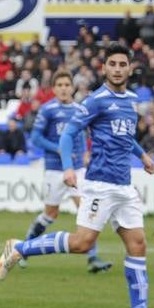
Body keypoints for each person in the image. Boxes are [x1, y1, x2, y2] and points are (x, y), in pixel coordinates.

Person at [0, 43, 154, 308]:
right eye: (111, 64)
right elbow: (68, 136)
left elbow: (126, 137)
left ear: (129, 68)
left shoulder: (132, 100)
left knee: (138, 244)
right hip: (99, 184)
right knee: (82, 243)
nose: (116, 69)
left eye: (122, 64)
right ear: (104, 68)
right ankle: (20, 248)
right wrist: (67, 167)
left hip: (124, 186)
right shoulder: (94, 101)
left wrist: (143, 155)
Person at [24, 69, 111, 273]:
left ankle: (93, 258)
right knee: (50, 214)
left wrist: (85, 154)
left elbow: (81, 136)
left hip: (77, 169)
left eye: (67, 85)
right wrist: (59, 148)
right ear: (54, 89)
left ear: (72, 87)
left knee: (86, 208)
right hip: (54, 169)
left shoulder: (79, 110)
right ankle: (25, 248)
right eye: (60, 85)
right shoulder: (47, 110)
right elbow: (35, 138)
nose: (64, 89)